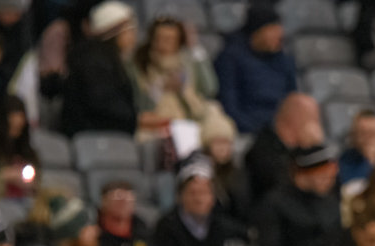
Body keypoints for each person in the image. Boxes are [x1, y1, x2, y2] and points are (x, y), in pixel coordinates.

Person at [256, 144, 347, 246]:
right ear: (308, 172)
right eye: (325, 175)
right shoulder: (275, 203)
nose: (331, 182)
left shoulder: (330, 203)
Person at [149, 158, 245, 246]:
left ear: (213, 198)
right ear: (180, 196)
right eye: (193, 193)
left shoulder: (221, 227)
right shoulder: (167, 227)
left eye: (204, 193)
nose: (199, 199)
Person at [133, 14, 230, 142]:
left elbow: (209, 89)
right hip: (157, 121)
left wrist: (194, 47)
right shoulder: (141, 63)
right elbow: (138, 101)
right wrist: (159, 89)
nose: (165, 44)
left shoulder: (188, 62)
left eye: (171, 39)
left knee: (215, 116)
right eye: (160, 38)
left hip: (191, 118)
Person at [213, 3, 298, 134]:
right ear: (258, 31)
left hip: (281, 130)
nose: (280, 35)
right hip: (247, 130)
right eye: (272, 29)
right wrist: (256, 130)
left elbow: (292, 97)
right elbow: (228, 105)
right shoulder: (230, 58)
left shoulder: (283, 60)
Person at [60, 1, 141, 136]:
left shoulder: (108, 58)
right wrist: (135, 118)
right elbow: (103, 103)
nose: (133, 38)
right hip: (95, 136)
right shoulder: (94, 60)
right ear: (114, 33)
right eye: (129, 31)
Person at [246, 93, 323, 211]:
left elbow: (327, 186)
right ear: (295, 118)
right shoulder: (263, 150)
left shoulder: (299, 150)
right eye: (313, 119)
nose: (317, 126)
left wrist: (315, 150)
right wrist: (307, 150)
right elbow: (282, 192)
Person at [338, 110, 375, 187]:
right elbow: (350, 188)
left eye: (374, 133)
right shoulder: (345, 161)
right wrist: (369, 162)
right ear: (354, 135)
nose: (369, 139)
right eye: (363, 133)